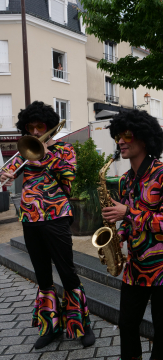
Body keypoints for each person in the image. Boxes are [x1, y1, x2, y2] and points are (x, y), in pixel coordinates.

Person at [0, 101, 95, 349]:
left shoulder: (64, 150)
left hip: (56, 216)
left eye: (38, 126)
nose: (33, 132)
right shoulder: (24, 151)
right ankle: (50, 326)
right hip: (30, 217)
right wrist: (6, 176)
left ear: (49, 127)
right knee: (42, 275)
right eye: (29, 128)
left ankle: (81, 325)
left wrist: (46, 154)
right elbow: (8, 171)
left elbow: (69, 179)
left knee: (67, 272)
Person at [101, 109, 163, 360]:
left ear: (144, 139)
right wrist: (118, 236)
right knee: (126, 324)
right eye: (118, 137)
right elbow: (127, 221)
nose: (120, 141)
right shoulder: (125, 180)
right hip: (135, 267)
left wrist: (128, 212)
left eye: (126, 135)